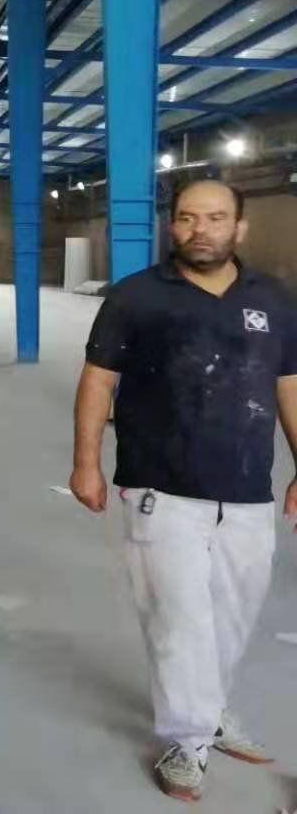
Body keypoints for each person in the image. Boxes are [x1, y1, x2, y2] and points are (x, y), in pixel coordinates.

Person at [70, 179, 297, 802]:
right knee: (177, 620)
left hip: (247, 489)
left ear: (239, 227)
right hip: (159, 488)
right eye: (189, 218)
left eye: (216, 218)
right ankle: (187, 738)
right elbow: (97, 381)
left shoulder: (272, 299)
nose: (202, 229)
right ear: (172, 226)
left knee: (232, 616)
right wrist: (86, 463)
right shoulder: (137, 296)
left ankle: (210, 710)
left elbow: (290, 385)